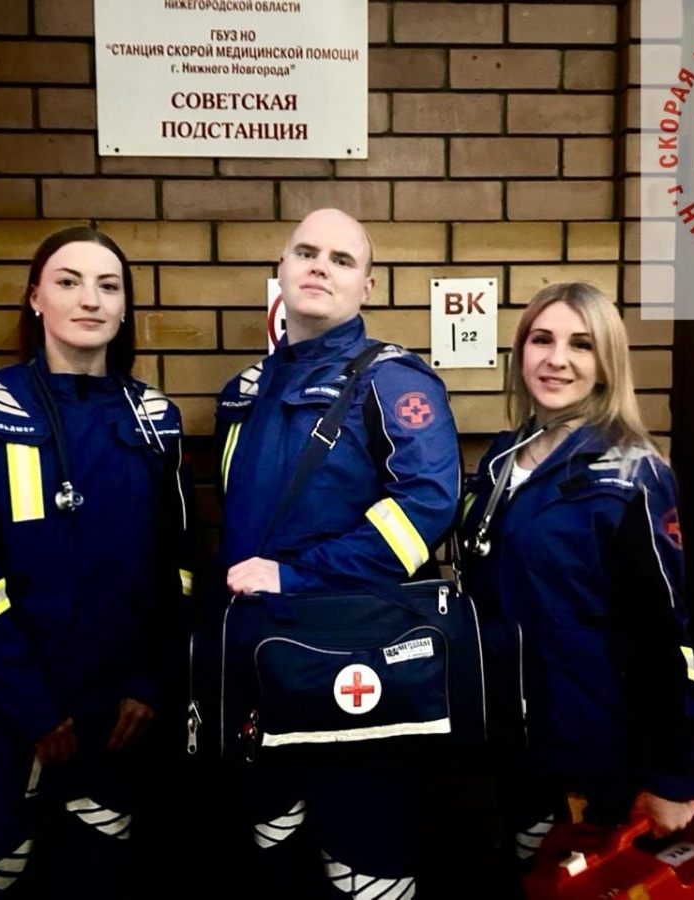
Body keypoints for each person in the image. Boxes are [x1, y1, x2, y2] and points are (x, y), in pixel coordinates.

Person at [214, 208, 461, 898]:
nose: (320, 267)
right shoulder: (243, 394)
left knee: (367, 870)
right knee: (278, 866)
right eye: (306, 252)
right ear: (282, 270)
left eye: (342, 259)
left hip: (356, 674)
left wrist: (299, 576)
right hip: (261, 673)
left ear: (367, 286)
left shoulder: (395, 381)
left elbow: (426, 507)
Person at [0, 226, 192, 898]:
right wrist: (31, 706)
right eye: (69, 282)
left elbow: (178, 569)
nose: (90, 300)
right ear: (35, 298)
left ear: (125, 307)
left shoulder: (155, 419)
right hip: (7, 711)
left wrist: (150, 684)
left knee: (100, 882)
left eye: (109, 286)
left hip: (119, 717)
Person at [458, 282, 694, 874]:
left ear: (606, 362)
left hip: (593, 745)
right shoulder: (502, 457)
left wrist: (671, 773)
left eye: (581, 344)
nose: (557, 359)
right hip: (510, 735)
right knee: (531, 876)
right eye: (541, 340)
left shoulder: (634, 471)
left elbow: (663, 633)